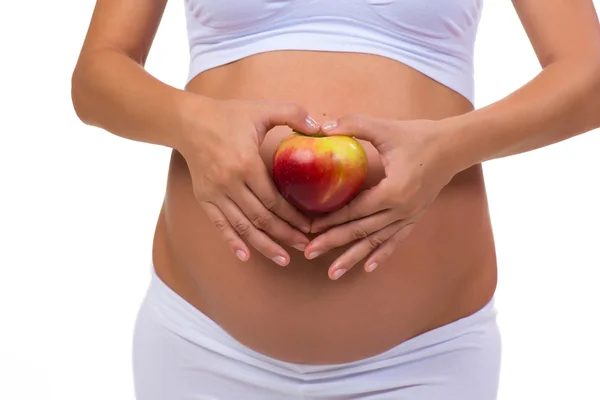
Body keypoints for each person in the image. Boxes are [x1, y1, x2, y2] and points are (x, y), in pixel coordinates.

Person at [70, 0, 600, 398]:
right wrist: (192, 122)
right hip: (201, 347)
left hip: (425, 359)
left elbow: (590, 75)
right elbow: (96, 74)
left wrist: (446, 146)